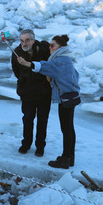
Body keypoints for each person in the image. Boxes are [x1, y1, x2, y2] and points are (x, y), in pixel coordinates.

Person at [17, 35, 80, 169]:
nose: (50, 48)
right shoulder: (65, 59)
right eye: (50, 45)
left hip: (66, 98)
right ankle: (70, 157)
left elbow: (43, 66)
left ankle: (66, 159)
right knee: (69, 128)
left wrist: (25, 63)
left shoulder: (60, 60)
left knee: (66, 129)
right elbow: (75, 75)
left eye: (53, 45)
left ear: (60, 48)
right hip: (70, 96)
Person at [11, 29, 52, 157]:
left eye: (27, 40)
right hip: (27, 92)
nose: (24, 43)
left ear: (33, 40)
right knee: (27, 119)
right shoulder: (17, 52)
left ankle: (40, 146)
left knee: (42, 120)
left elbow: (49, 67)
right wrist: (25, 82)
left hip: (43, 92)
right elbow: (16, 71)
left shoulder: (44, 50)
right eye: (22, 40)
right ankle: (26, 144)